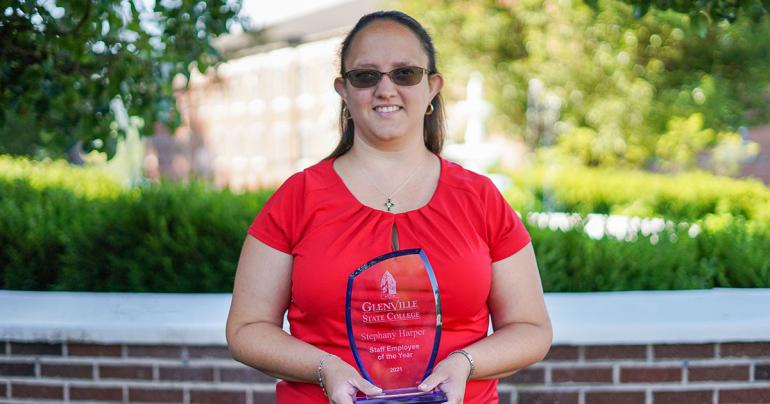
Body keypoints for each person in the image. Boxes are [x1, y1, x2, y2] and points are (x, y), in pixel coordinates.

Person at [226, 10, 552, 404]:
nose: (386, 89)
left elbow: (531, 327)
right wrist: (325, 367)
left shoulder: (481, 199)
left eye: (405, 73)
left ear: (432, 87)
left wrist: (466, 362)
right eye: (366, 76)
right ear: (343, 91)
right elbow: (247, 328)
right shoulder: (297, 198)